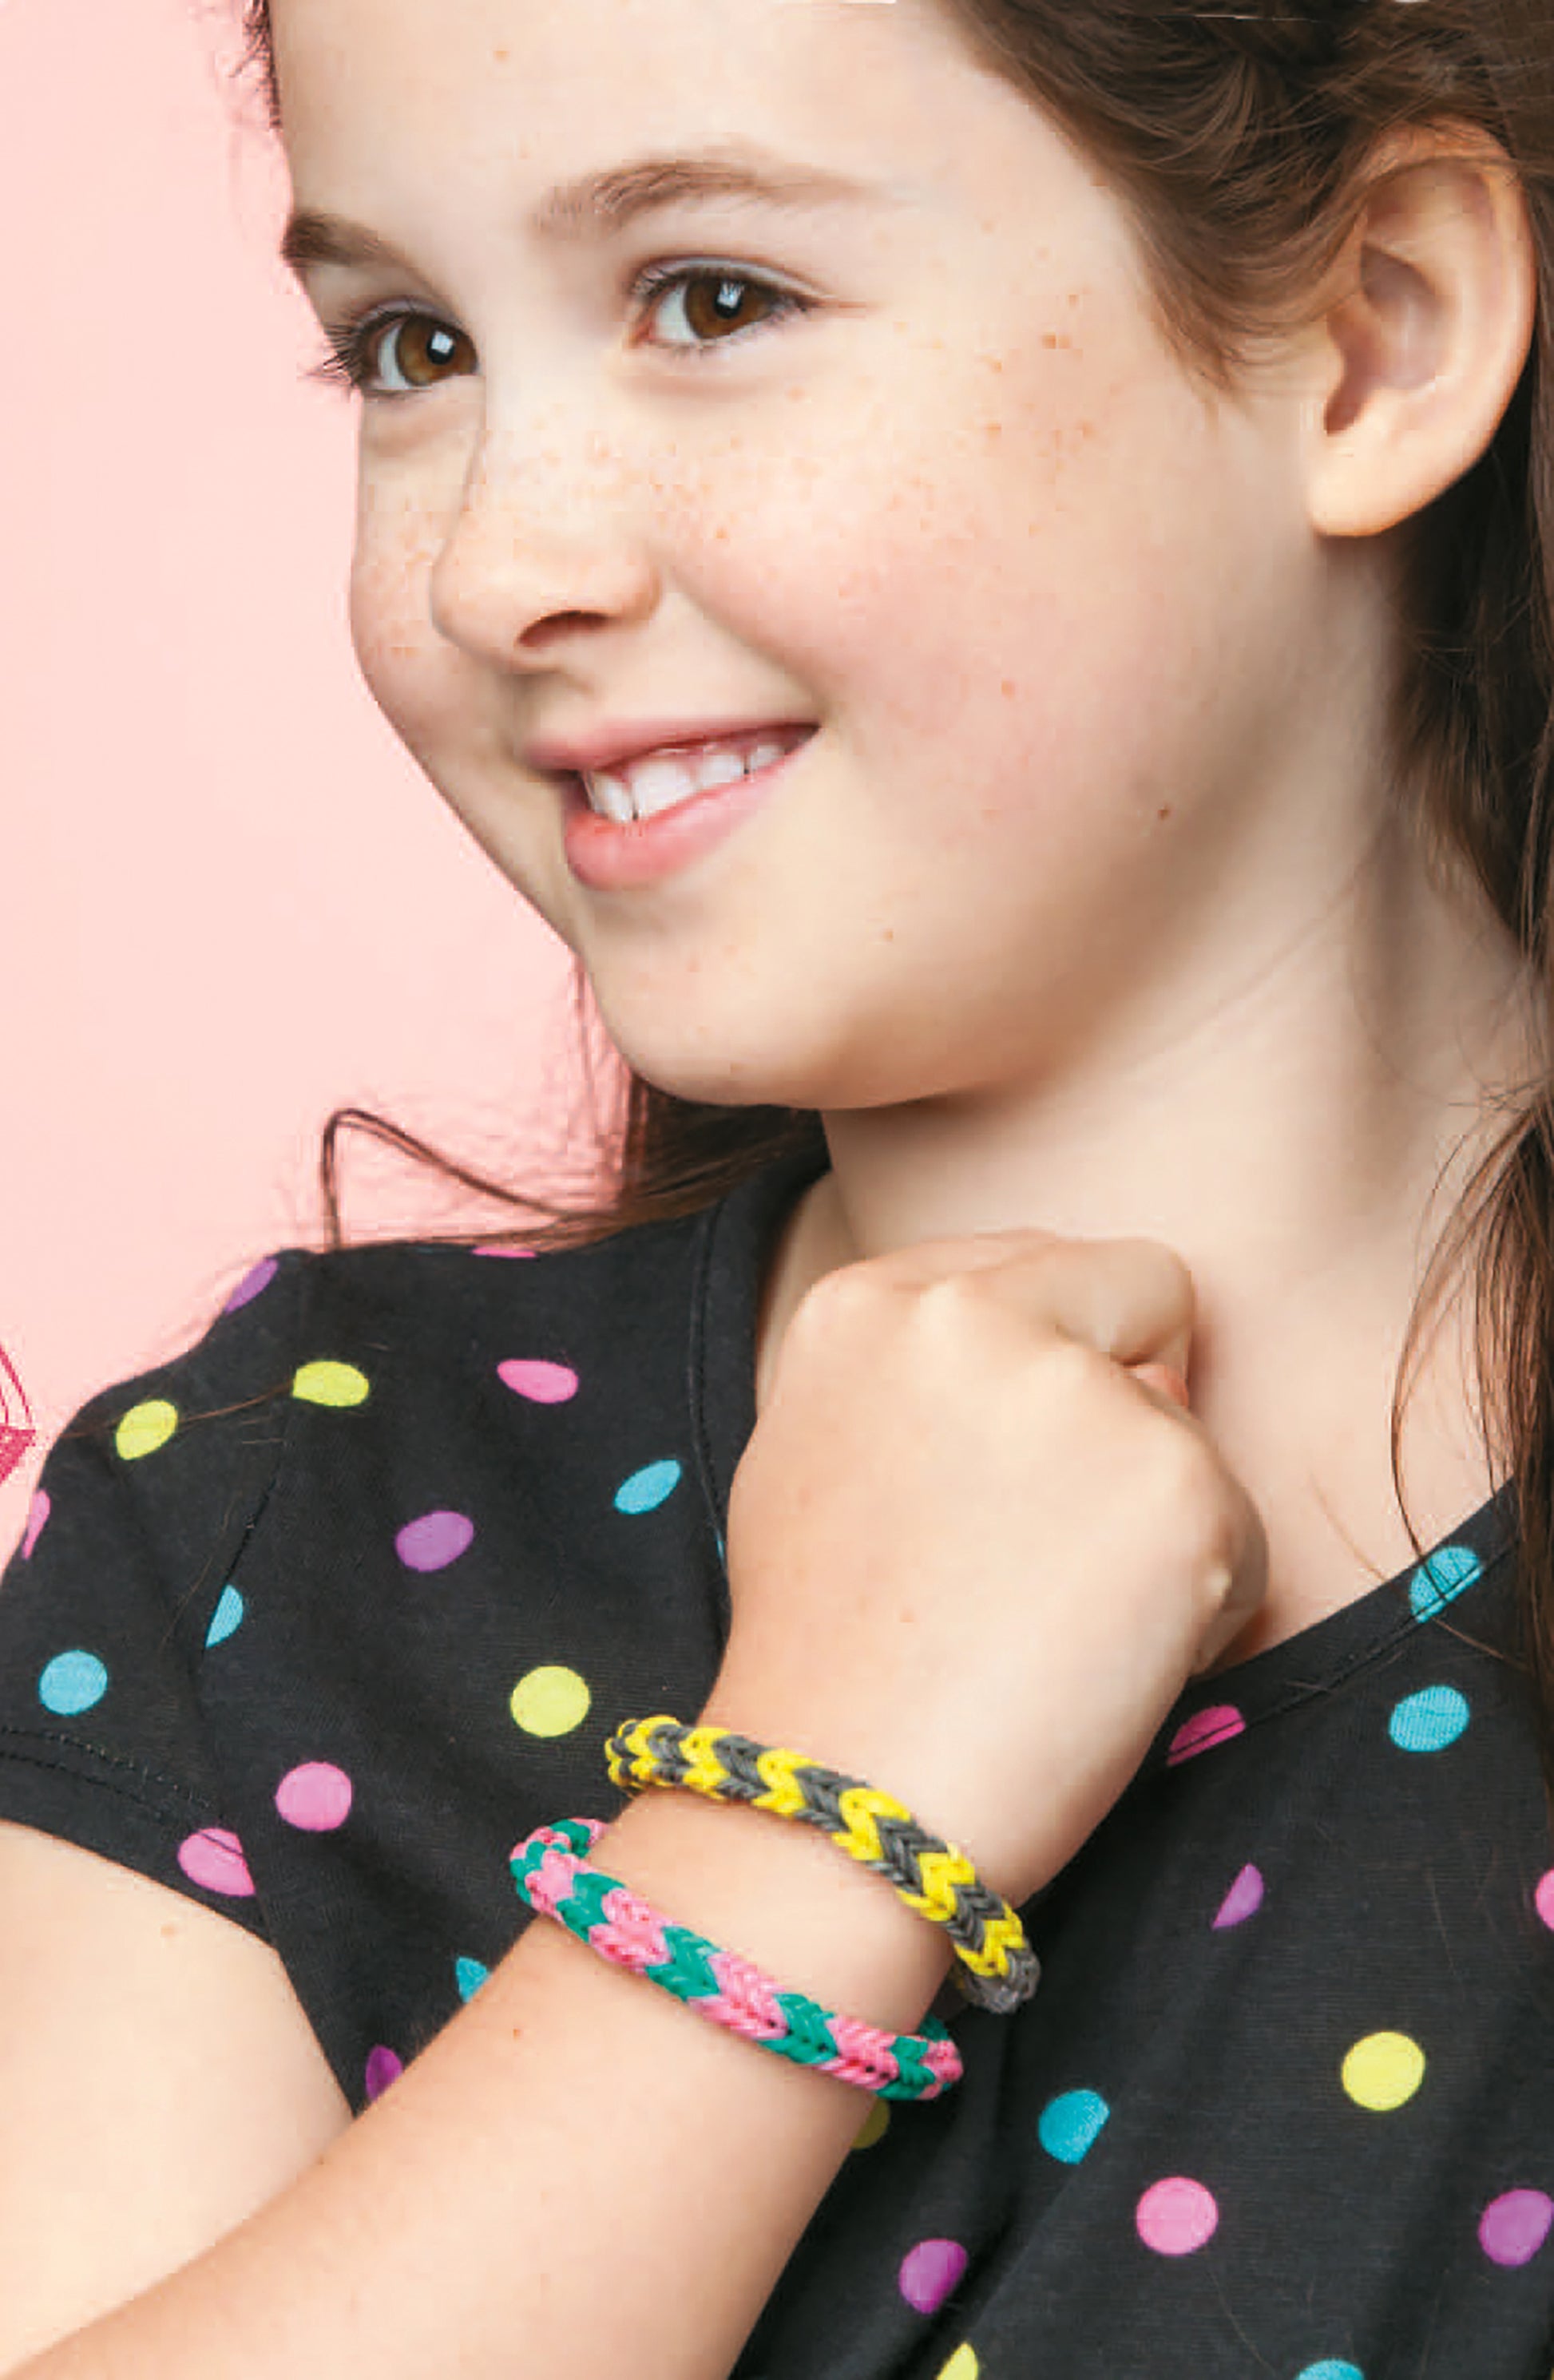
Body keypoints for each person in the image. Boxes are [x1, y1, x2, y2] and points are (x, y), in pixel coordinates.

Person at [2, 0, 1552, 2369]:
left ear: (1370, 338)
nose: (496, 564)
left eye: (711, 298)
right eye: (407, 345)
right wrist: (814, 1811)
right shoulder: (263, 1536)